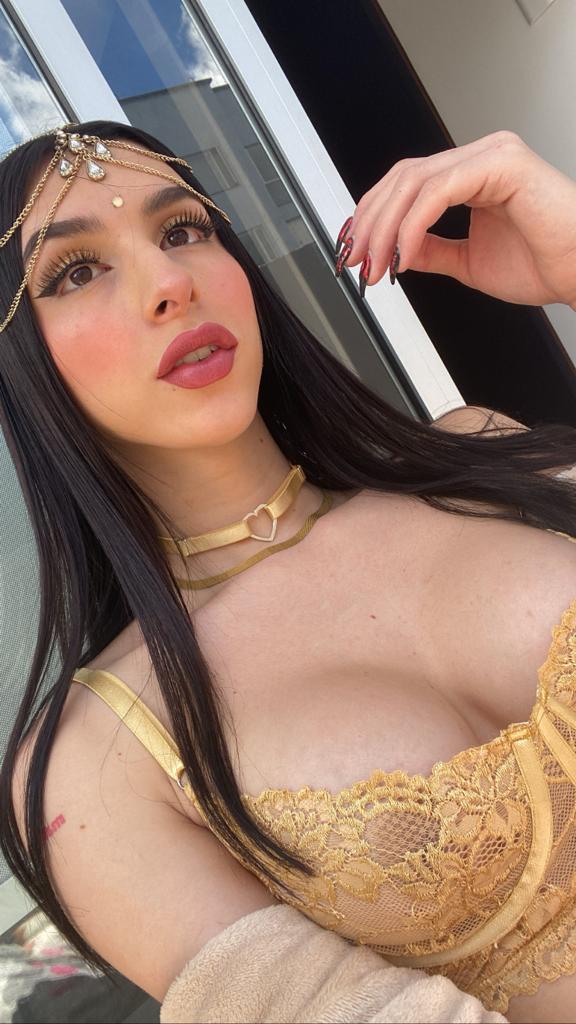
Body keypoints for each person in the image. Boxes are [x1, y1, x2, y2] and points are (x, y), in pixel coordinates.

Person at [0, 120, 575, 1023]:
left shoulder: (483, 462)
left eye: (183, 229)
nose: (171, 284)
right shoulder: (96, 761)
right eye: (75, 271)